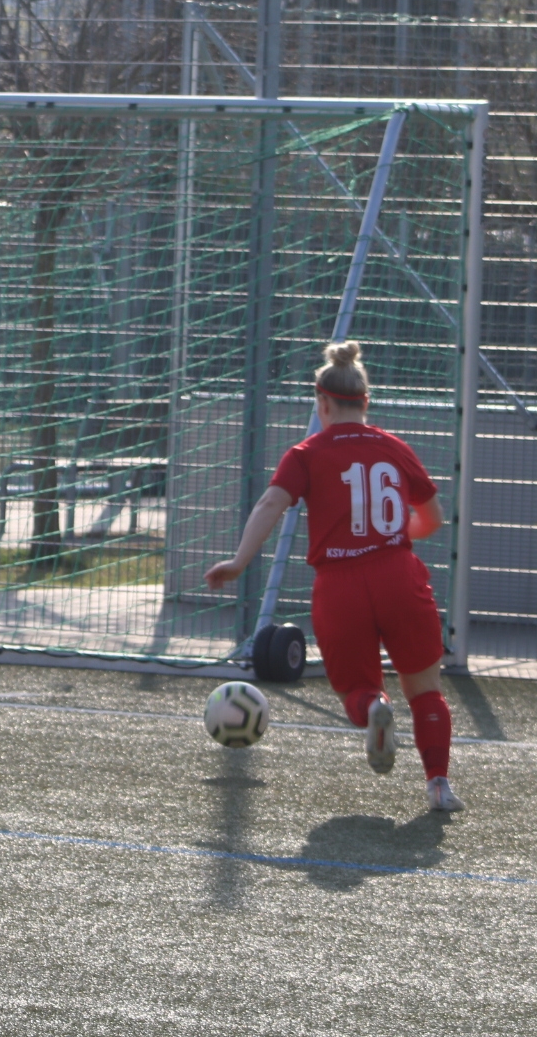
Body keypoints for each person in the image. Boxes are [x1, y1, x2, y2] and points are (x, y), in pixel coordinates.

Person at [205, 341, 466, 813]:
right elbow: (431, 519)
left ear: (321, 402)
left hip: (340, 585)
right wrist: (387, 534)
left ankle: (372, 711)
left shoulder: (306, 453)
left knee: (356, 688)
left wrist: (239, 562)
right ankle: (439, 786)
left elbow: (270, 505)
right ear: (365, 402)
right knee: (425, 687)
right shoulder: (395, 448)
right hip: (398, 575)